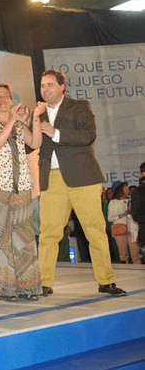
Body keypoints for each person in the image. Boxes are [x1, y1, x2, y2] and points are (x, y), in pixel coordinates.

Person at [37, 69, 126, 297]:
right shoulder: (37, 113)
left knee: (95, 231)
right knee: (48, 233)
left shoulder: (79, 106)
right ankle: (43, 282)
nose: (45, 89)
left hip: (83, 178)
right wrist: (30, 121)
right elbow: (31, 145)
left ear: (62, 86)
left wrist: (55, 132)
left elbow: (88, 135)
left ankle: (106, 281)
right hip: (52, 179)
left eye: (50, 85)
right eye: (43, 85)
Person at [0, 83, 45, 301]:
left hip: (21, 187)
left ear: (11, 99)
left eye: (5, 96)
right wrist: (12, 121)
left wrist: (35, 117)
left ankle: (29, 286)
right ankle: (5, 288)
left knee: (25, 239)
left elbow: (35, 142)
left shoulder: (17, 124)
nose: (1, 100)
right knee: (0, 240)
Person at [107, 182, 140, 264]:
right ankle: (126, 273)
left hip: (132, 228)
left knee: (135, 254)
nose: (127, 189)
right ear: (120, 189)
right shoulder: (113, 202)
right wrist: (122, 215)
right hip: (120, 229)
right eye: (125, 187)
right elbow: (110, 218)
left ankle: (140, 273)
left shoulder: (131, 200)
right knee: (123, 255)